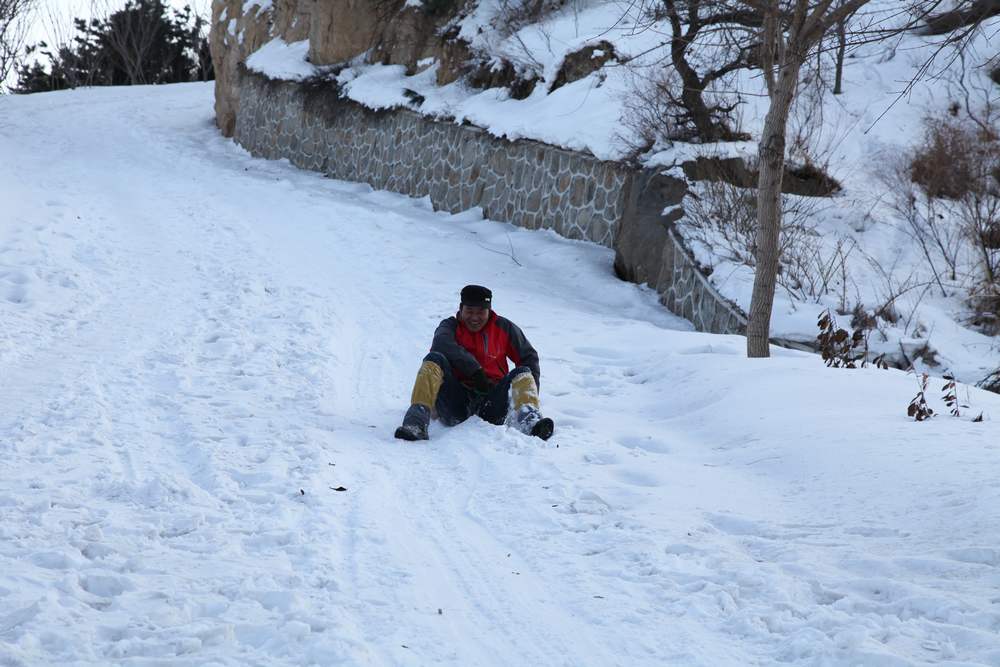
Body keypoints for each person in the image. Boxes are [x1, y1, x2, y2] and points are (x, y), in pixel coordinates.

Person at [394, 285, 554, 442]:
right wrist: (475, 371)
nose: (475, 317)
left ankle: (531, 422)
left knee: (523, 371)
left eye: (481, 312)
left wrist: (529, 395)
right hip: (456, 402)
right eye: (469, 311)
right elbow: (440, 344)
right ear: (461, 308)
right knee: (434, 358)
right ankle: (416, 422)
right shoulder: (450, 326)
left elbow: (528, 356)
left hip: (492, 404)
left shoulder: (504, 328)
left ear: (489, 311)